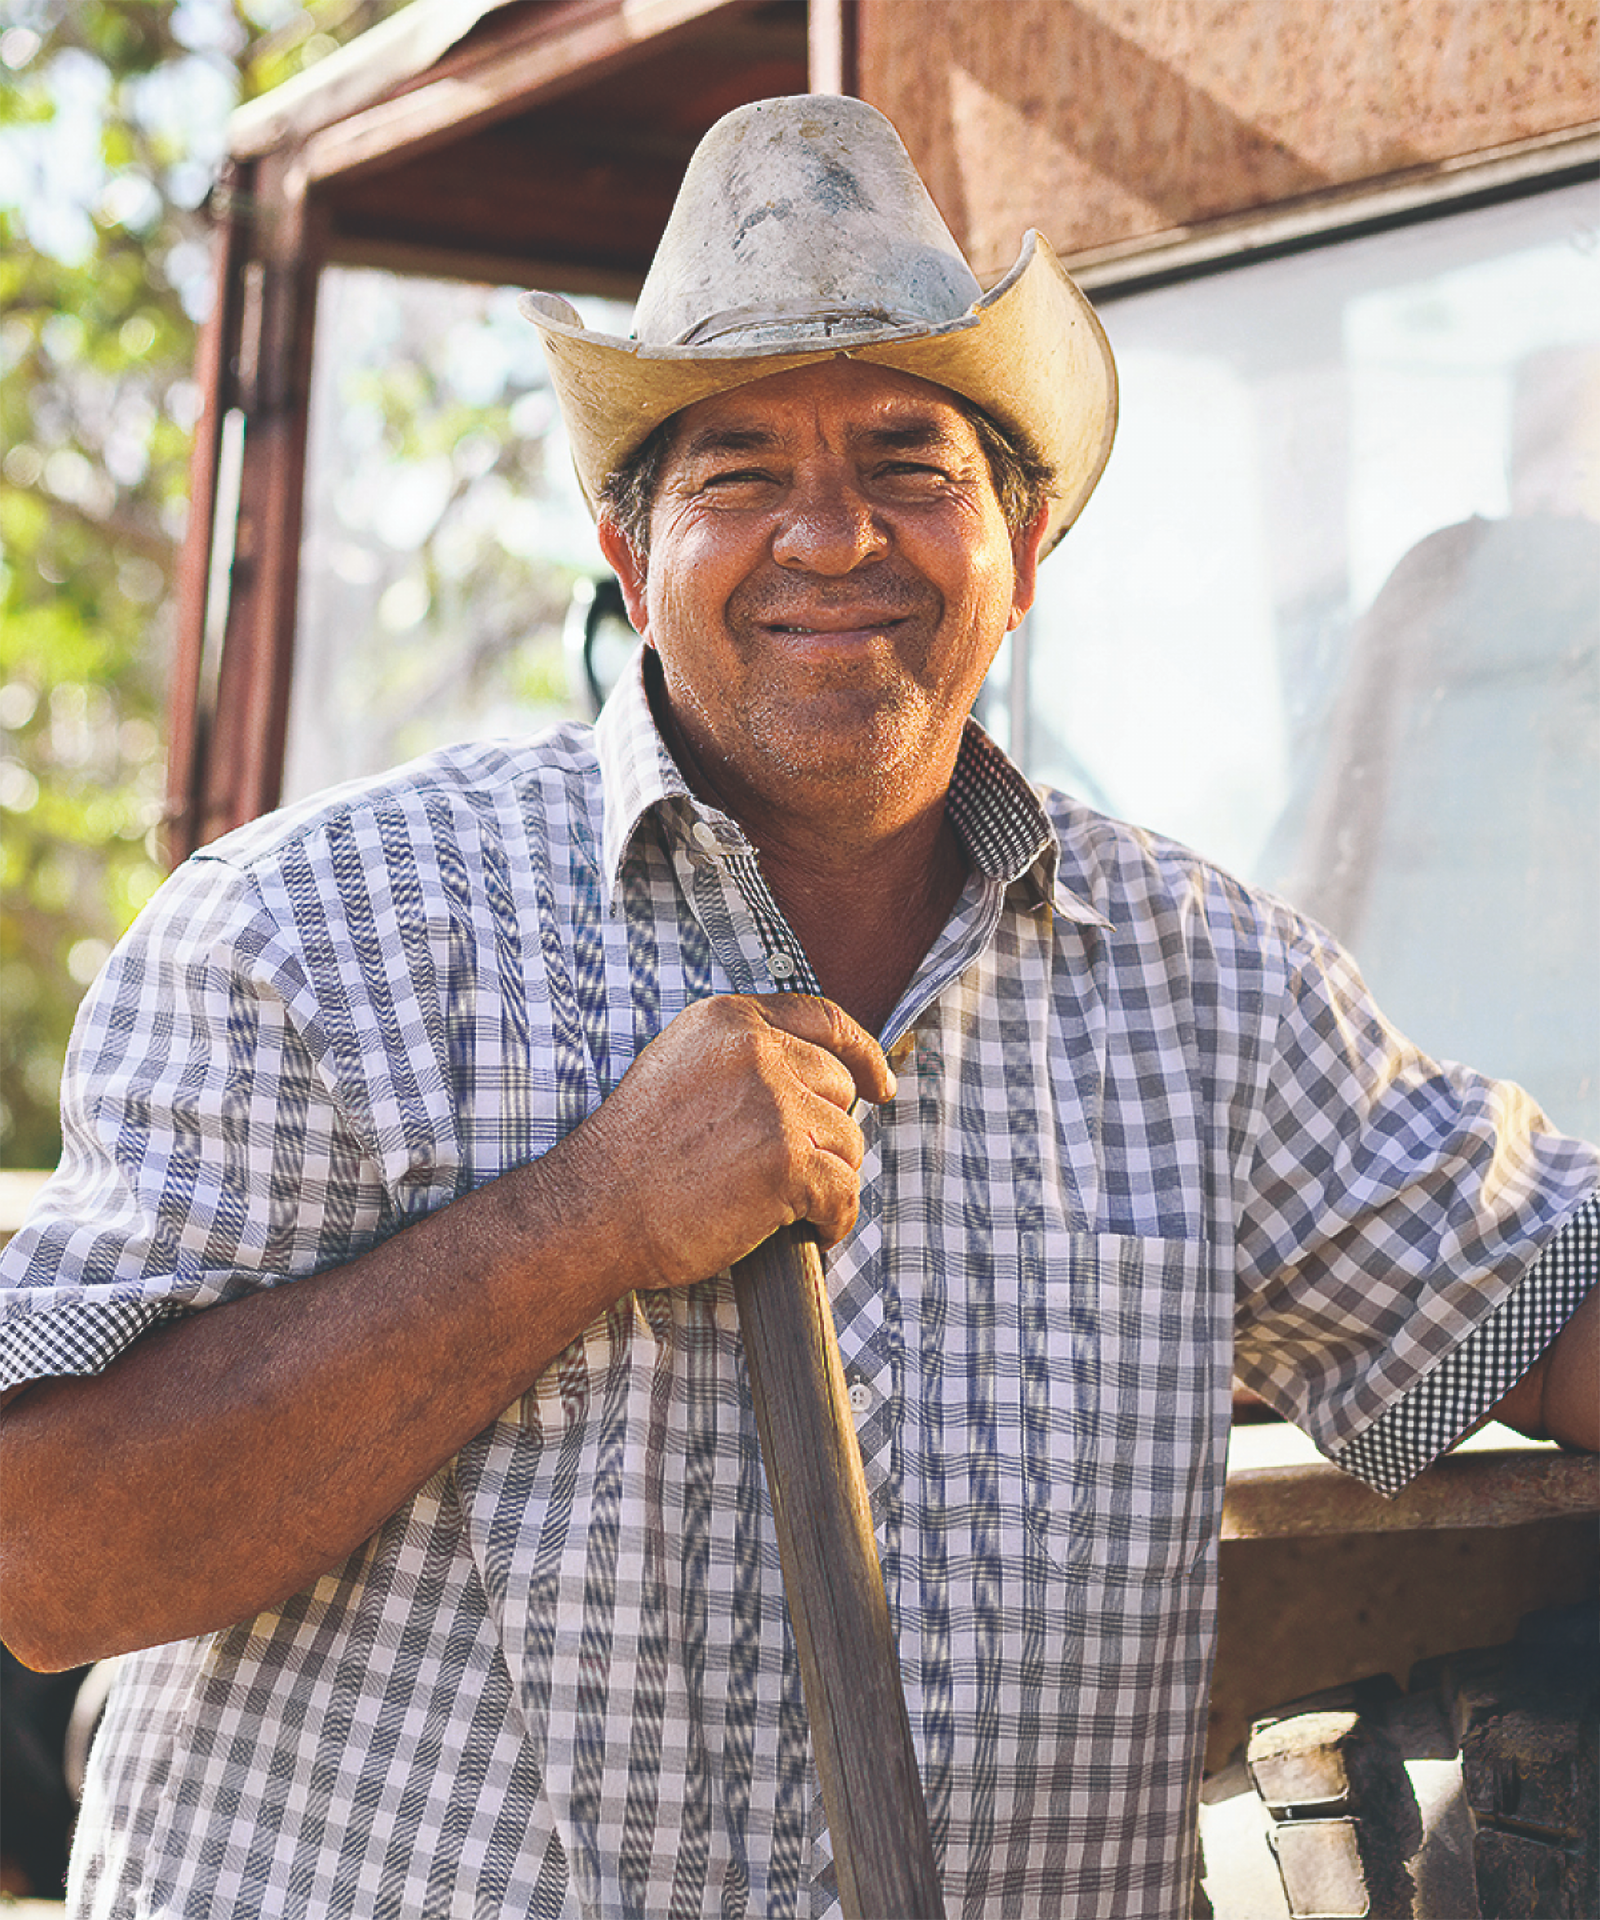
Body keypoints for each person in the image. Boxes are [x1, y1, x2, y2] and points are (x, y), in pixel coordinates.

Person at [0, 93, 1596, 1920]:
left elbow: (1543, 1296)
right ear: (631, 554)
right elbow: (46, 1558)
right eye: (738, 471)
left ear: (1024, 535)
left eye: (911, 465)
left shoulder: (1210, 992)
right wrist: (590, 1214)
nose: (831, 537)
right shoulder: (315, 936)